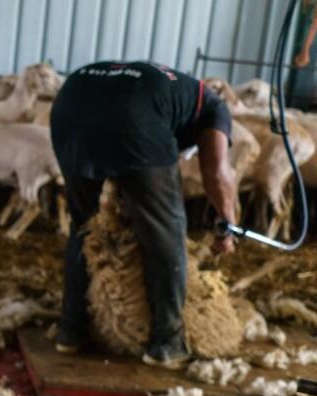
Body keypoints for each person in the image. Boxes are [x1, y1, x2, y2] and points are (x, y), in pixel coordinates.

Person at [50, 61, 238, 370]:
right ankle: (168, 342)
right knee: (166, 229)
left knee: (83, 223)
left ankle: (70, 330)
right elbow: (217, 173)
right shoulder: (216, 108)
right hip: (133, 119)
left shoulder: (173, 88)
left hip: (70, 105)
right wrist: (226, 224)